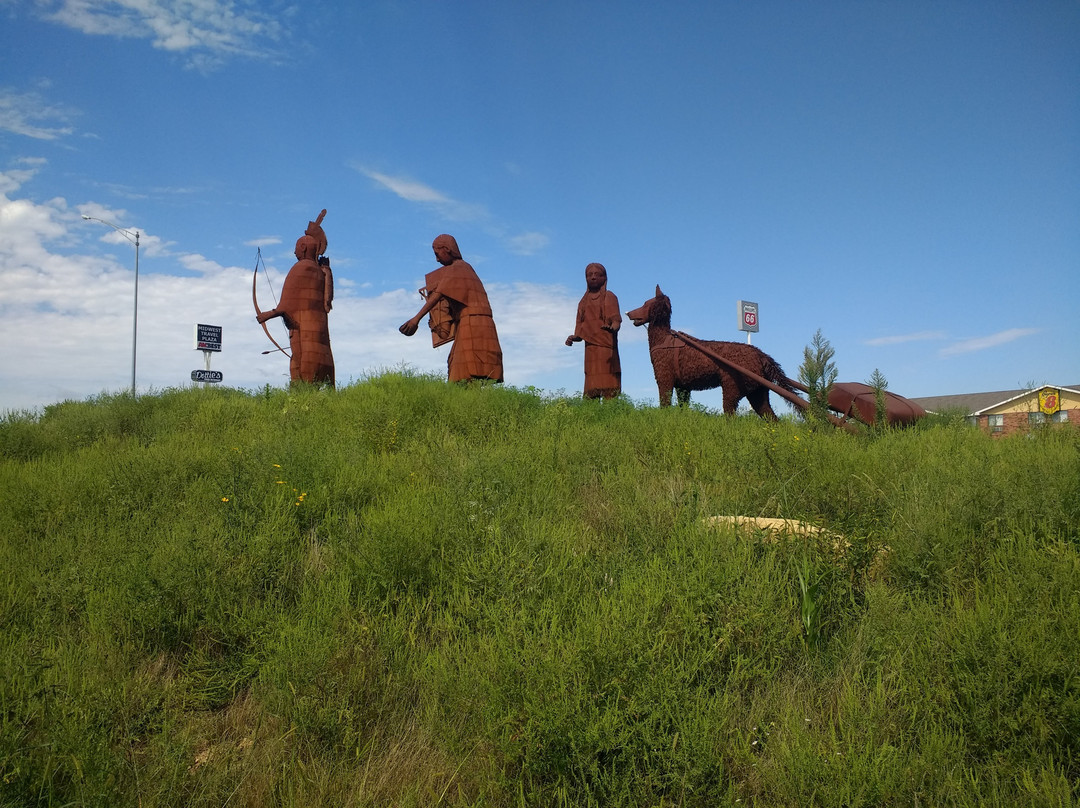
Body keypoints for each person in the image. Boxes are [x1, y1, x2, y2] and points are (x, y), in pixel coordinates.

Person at [399, 234, 503, 383]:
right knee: (458, 366)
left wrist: (416, 319)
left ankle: (471, 401)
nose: (437, 259)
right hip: (470, 322)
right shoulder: (465, 268)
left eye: (437, 253)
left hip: (473, 323)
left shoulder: (457, 268)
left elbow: (437, 296)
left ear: (446, 249)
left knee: (463, 371)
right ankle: (472, 401)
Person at [256, 210, 335, 385]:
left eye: (297, 247)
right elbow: (323, 302)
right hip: (314, 334)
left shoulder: (302, 268)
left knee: (302, 370)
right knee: (308, 366)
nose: (294, 252)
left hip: (305, 334)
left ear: (304, 247)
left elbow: (287, 304)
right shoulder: (321, 272)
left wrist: (267, 315)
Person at [565, 262, 621, 399]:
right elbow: (580, 330)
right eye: (589, 275)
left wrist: (612, 328)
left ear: (604, 278)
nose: (593, 277)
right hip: (590, 349)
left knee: (609, 385)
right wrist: (574, 337)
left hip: (607, 348)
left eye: (597, 274)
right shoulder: (582, 303)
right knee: (591, 386)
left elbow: (616, 320)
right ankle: (591, 412)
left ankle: (611, 411)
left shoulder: (610, 297)